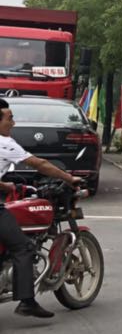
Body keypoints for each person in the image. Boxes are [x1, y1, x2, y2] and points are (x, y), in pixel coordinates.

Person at [0, 98, 84, 319]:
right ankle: (27, 301)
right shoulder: (4, 143)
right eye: (9, 119)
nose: (13, 123)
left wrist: (6, 186)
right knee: (23, 247)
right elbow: (40, 164)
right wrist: (69, 178)